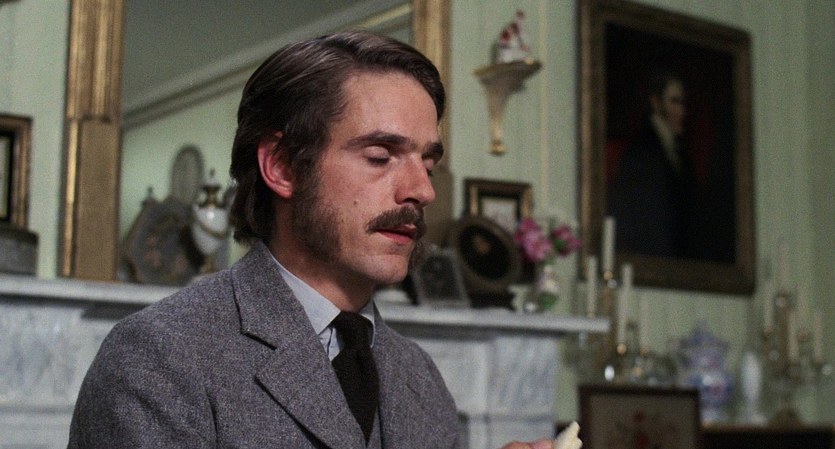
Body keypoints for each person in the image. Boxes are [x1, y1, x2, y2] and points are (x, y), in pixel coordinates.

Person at [67, 31, 560, 449]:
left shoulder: (419, 376)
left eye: (427, 163)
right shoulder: (158, 357)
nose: (423, 191)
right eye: (380, 156)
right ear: (282, 166)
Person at [607, 70, 698, 258]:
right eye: (674, 102)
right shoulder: (640, 152)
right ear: (656, 103)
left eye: (682, 103)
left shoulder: (681, 153)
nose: (681, 112)